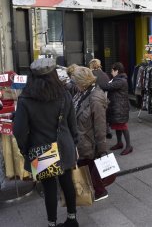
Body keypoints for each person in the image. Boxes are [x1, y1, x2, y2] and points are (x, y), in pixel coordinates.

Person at [13, 58, 79, 227]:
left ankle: (52, 223)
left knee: (49, 187)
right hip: (64, 144)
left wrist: (25, 149)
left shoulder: (25, 99)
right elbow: (72, 123)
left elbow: (19, 131)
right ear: (54, 74)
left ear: (32, 76)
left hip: (41, 147)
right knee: (67, 182)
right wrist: (75, 142)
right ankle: (72, 219)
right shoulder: (64, 93)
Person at [71, 67, 109, 201]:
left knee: (91, 167)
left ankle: (99, 191)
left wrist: (102, 149)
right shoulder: (81, 93)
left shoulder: (96, 98)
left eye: (75, 82)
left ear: (82, 82)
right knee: (85, 167)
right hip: (81, 139)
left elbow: (100, 127)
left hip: (89, 142)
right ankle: (90, 190)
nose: (74, 85)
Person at [100, 62, 132, 155]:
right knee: (117, 125)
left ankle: (129, 146)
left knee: (123, 126)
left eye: (112, 71)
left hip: (120, 108)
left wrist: (96, 84)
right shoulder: (117, 79)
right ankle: (119, 143)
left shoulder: (121, 81)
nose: (111, 72)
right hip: (117, 107)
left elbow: (107, 87)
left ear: (116, 71)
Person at [88, 58, 112, 139]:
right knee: (104, 115)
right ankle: (107, 130)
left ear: (91, 65)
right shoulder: (104, 74)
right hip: (105, 98)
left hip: (95, 99)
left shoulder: (90, 75)